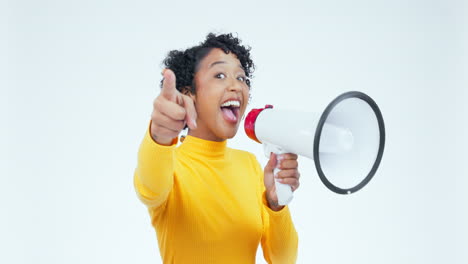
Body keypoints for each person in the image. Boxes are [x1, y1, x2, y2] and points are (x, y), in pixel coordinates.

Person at [134, 33, 301, 264]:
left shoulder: (249, 165)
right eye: (220, 75)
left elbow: (284, 260)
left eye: (242, 78)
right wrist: (159, 135)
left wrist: (275, 205)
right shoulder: (170, 163)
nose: (236, 86)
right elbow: (149, 190)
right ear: (189, 93)